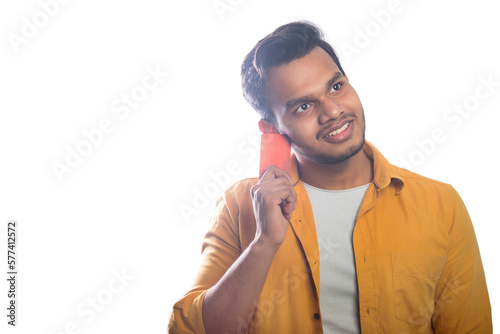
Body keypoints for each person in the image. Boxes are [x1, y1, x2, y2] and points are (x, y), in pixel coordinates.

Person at [168, 21, 492, 333]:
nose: (333, 111)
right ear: (272, 129)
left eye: (336, 87)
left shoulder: (440, 205)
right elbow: (189, 332)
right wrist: (264, 242)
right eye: (303, 106)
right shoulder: (238, 206)